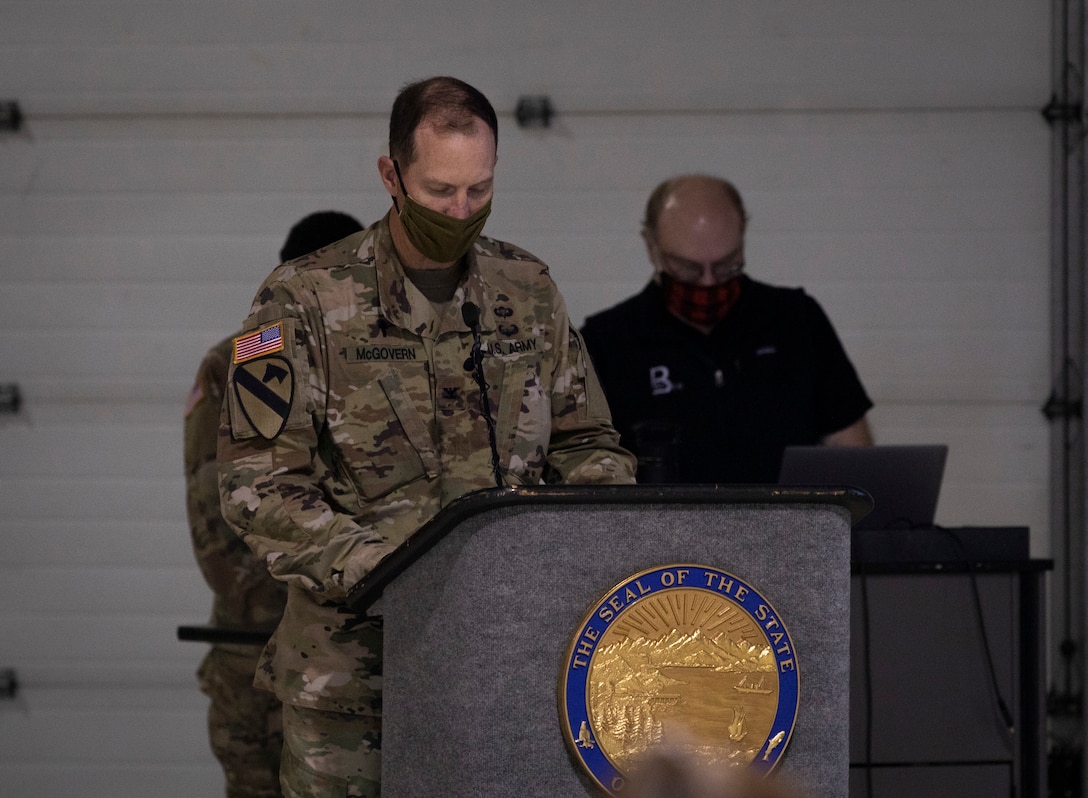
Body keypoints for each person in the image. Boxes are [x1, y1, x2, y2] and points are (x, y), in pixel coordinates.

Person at [217, 76, 635, 797]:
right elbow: (256, 486)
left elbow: (588, 441)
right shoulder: (297, 299)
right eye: (441, 191)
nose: (462, 210)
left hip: (509, 669)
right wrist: (396, 574)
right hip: (353, 688)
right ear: (391, 175)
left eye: (480, 189)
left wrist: (575, 548)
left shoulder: (526, 288)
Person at [184, 210, 364, 798]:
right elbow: (218, 524)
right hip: (261, 657)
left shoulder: (383, 365)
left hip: (358, 662)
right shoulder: (247, 361)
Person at [581, 174, 873, 484]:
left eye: (726, 265)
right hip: (662, 532)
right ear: (652, 247)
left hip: (788, 529)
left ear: (743, 238)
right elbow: (586, 479)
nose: (708, 283)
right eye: (688, 269)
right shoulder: (607, 344)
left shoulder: (796, 321)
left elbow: (853, 455)